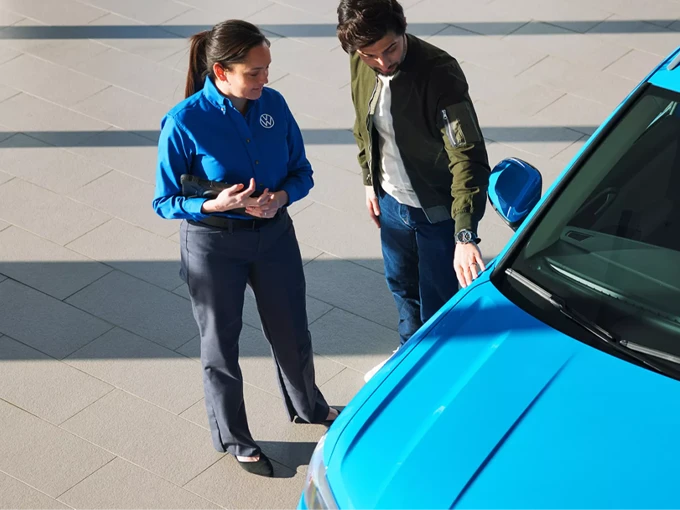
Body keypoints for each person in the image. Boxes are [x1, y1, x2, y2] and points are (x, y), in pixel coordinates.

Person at [153, 20, 338, 478]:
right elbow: (163, 201)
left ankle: (308, 407)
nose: (265, 80)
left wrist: (282, 197)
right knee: (221, 344)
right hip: (213, 244)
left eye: (267, 69)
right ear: (221, 71)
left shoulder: (273, 106)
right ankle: (233, 436)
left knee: (292, 328)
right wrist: (214, 202)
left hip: (274, 236)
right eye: (254, 72)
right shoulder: (183, 121)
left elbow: (302, 171)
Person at [336, 0, 491, 381]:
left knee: (438, 300)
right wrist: (369, 181)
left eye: (390, 48)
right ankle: (409, 355)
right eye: (370, 55)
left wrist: (465, 232)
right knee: (402, 286)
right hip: (391, 202)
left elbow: (467, 155)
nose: (383, 62)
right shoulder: (361, 59)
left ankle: (436, 375)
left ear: (403, 26)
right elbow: (362, 125)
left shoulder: (439, 72)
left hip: (437, 210)